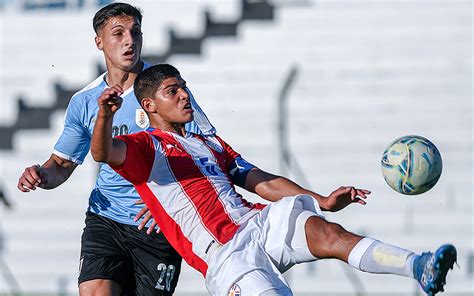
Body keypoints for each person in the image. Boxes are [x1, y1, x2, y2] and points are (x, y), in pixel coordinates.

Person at [90, 63, 457, 296]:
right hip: (226, 256)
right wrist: (105, 117)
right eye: (173, 91)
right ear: (150, 106)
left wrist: (321, 200)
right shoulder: (145, 148)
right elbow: (103, 153)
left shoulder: (206, 142)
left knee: (329, 233)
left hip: (258, 223)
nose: (185, 94)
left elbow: (256, 178)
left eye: (184, 86)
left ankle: (418, 267)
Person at [16, 3, 216, 295]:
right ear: (99, 42)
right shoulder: (84, 101)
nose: (129, 40)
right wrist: (41, 175)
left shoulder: (166, 90)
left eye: (135, 32)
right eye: (118, 33)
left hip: (158, 225)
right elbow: (61, 164)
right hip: (106, 217)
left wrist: (167, 198)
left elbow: (206, 148)